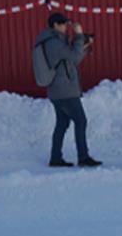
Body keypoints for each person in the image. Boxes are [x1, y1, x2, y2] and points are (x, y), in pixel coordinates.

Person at [33, 12, 102, 168]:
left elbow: (71, 60)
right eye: (63, 24)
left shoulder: (55, 42)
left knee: (62, 123)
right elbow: (73, 55)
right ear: (55, 25)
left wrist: (83, 46)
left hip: (59, 90)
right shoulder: (54, 43)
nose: (66, 26)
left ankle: (56, 158)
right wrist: (78, 35)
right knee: (81, 121)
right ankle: (83, 157)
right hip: (64, 91)